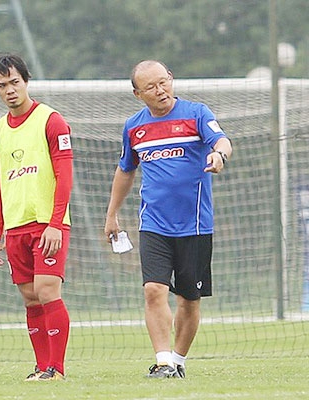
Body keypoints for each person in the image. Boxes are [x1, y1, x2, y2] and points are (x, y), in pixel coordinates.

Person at [104, 60, 233, 379]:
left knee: (188, 300)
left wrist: (219, 156)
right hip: (154, 226)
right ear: (138, 94)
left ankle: (177, 360)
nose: (160, 90)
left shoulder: (196, 113)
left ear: (171, 79)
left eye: (164, 82)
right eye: (151, 87)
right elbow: (126, 169)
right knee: (153, 290)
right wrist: (112, 214)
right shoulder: (134, 126)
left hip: (196, 226)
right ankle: (162, 361)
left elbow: (222, 141)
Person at [0, 53, 73, 382]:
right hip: (16, 228)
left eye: (15, 82)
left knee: (48, 290)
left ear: (27, 81)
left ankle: (57, 369)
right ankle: (42, 368)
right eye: (2, 85)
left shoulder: (51, 120)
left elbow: (65, 175)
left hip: (48, 225)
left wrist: (55, 222)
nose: (10, 90)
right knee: (30, 297)